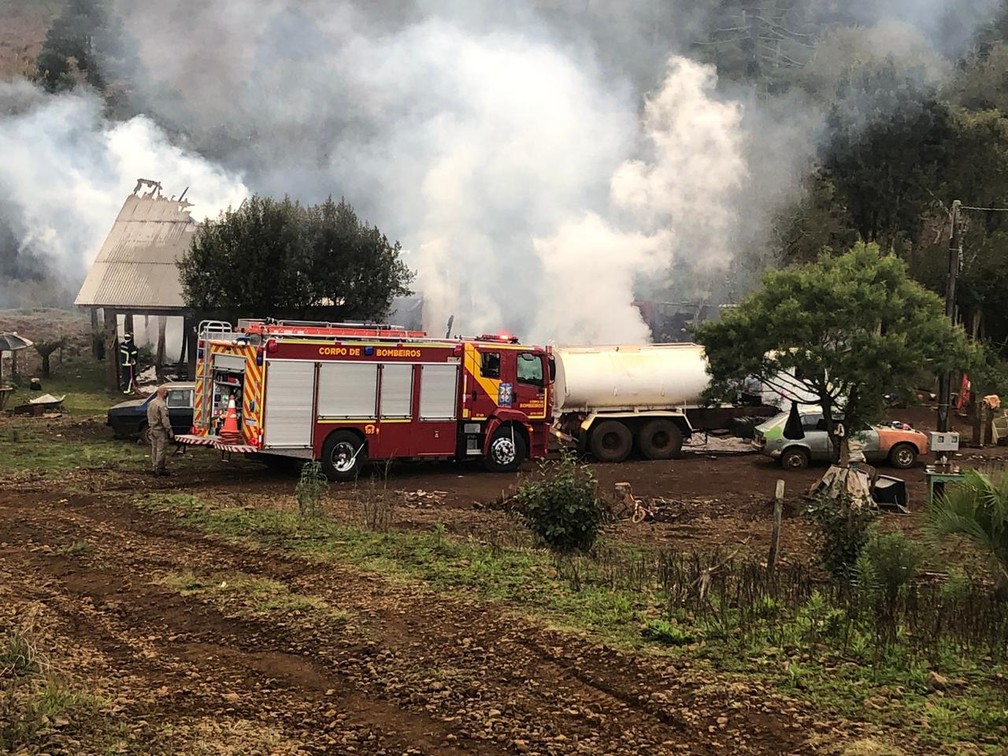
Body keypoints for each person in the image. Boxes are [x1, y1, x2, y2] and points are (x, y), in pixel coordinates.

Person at [146, 387, 174, 476]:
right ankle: (159, 468)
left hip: (152, 429)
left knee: (154, 448)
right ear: (164, 393)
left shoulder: (151, 403)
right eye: (166, 392)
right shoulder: (162, 405)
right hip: (160, 430)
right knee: (161, 449)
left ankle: (154, 466)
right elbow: (165, 419)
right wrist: (169, 430)